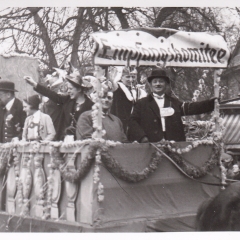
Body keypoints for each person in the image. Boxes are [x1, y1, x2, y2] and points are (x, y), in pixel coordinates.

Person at [128, 69, 215, 143]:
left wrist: (213, 103)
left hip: (174, 145)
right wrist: (142, 137)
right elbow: (132, 121)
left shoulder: (173, 102)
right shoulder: (142, 103)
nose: (158, 84)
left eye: (161, 81)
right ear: (150, 85)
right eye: (155, 82)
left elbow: (191, 108)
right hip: (151, 145)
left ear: (166, 84)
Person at [24, 69, 93, 140]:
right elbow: (51, 94)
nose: (68, 91)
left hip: (82, 141)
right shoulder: (67, 100)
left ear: (79, 89)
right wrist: (34, 84)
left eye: (71, 89)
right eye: (68, 89)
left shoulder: (91, 106)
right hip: (65, 140)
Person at [110, 67, 147, 133]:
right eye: (127, 77)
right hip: (119, 122)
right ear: (121, 78)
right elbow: (111, 81)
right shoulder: (117, 87)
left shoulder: (138, 91)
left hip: (133, 124)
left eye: (133, 77)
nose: (131, 79)